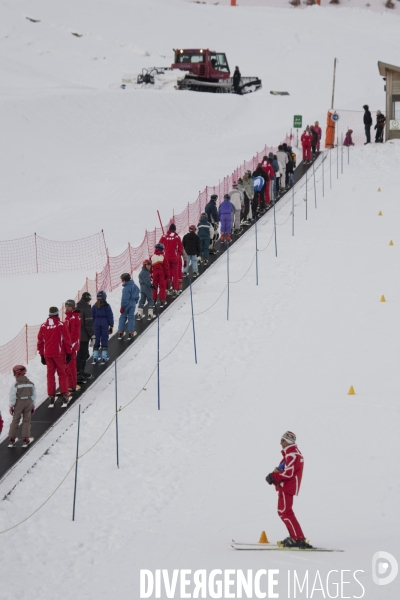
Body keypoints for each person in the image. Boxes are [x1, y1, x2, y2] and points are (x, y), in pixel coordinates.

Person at [265, 431, 311, 549]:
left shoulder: (292, 454)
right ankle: (295, 536)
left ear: (287, 441)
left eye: (282, 440)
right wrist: (274, 477)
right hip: (285, 486)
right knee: (282, 511)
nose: (280, 443)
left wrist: (273, 477)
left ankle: (298, 538)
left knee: (285, 512)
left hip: (287, 486)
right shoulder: (292, 454)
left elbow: (288, 472)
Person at [37, 307, 72, 407]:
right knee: (62, 373)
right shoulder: (61, 325)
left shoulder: (43, 326)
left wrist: (42, 355)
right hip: (59, 353)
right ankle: (64, 394)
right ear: (57, 314)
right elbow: (66, 339)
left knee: (50, 374)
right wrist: (69, 352)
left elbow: (40, 341)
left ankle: (51, 395)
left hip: (48, 354)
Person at [8, 365, 36, 447]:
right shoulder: (30, 383)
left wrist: (11, 406)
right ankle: (25, 438)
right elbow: (34, 395)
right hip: (28, 402)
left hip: (18, 402)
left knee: (15, 420)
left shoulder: (15, 384)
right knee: (27, 420)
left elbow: (12, 396)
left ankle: (12, 438)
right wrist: (33, 404)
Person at [160, 223, 184, 296]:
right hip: (175, 258)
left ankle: (167, 288)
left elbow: (159, 246)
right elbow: (181, 247)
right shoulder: (177, 237)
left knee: (167, 273)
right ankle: (175, 288)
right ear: (175, 230)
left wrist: (163, 253)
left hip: (166, 258)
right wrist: (178, 254)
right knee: (175, 273)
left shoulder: (164, 236)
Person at [76, 291, 95, 385]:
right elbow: (89, 324)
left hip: (77, 336)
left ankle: (80, 371)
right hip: (83, 336)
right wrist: (92, 336)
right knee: (82, 355)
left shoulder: (77, 307)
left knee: (83, 354)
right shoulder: (86, 309)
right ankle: (79, 373)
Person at [64, 299, 81, 392]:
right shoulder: (68, 317)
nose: (67, 308)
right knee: (67, 366)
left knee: (71, 365)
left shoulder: (74, 318)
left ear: (73, 307)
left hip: (71, 346)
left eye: (69, 306)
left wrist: (70, 346)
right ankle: (69, 384)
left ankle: (72, 385)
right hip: (67, 346)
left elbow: (74, 334)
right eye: (66, 306)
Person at [92, 291, 114, 360]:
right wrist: (111, 325)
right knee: (104, 336)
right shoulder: (107, 306)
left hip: (96, 322)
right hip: (105, 322)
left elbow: (91, 315)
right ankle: (104, 355)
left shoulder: (94, 306)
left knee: (96, 337)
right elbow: (110, 316)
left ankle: (95, 355)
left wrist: (93, 324)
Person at [117, 273, 139, 340]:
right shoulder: (135, 286)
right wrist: (135, 302)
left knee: (123, 317)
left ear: (125, 280)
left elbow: (124, 298)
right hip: (133, 303)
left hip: (126, 304)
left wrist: (123, 306)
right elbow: (137, 295)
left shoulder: (126, 289)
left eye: (122, 280)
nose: (122, 281)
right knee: (131, 317)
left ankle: (121, 331)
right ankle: (131, 332)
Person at [151, 243, 170, 308]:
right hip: (161, 272)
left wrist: (151, 273)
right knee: (162, 287)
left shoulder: (152, 257)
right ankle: (162, 301)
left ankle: (153, 300)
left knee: (154, 287)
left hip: (155, 272)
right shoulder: (163, 257)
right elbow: (166, 267)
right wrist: (167, 275)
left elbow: (150, 266)